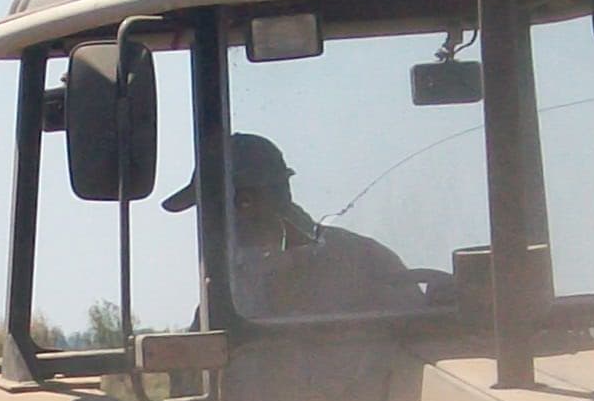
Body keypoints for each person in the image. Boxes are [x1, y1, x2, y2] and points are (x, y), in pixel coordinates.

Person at [165, 133, 422, 319]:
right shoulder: (227, 290)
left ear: (246, 203)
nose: (206, 223)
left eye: (211, 207)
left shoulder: (365, 264)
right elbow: (195, 378)